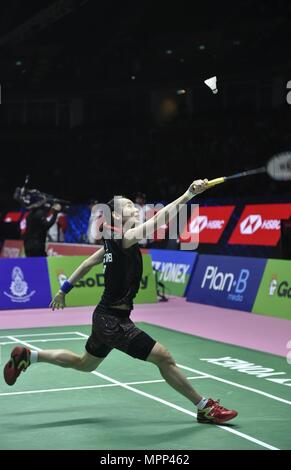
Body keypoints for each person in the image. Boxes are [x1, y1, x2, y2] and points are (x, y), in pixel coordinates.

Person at [3, 179, 238, 424]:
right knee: (164, 357)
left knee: (84, 364)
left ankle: (30, 357)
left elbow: (85, 264)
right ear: (115, 215)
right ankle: (204, 407)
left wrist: (64, 290)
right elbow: (159, 221)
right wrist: (188, 194)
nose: (135, 209)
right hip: (113, 321)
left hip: (107, 317)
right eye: (128, 207)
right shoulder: (124, 238)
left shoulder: (111, 243)